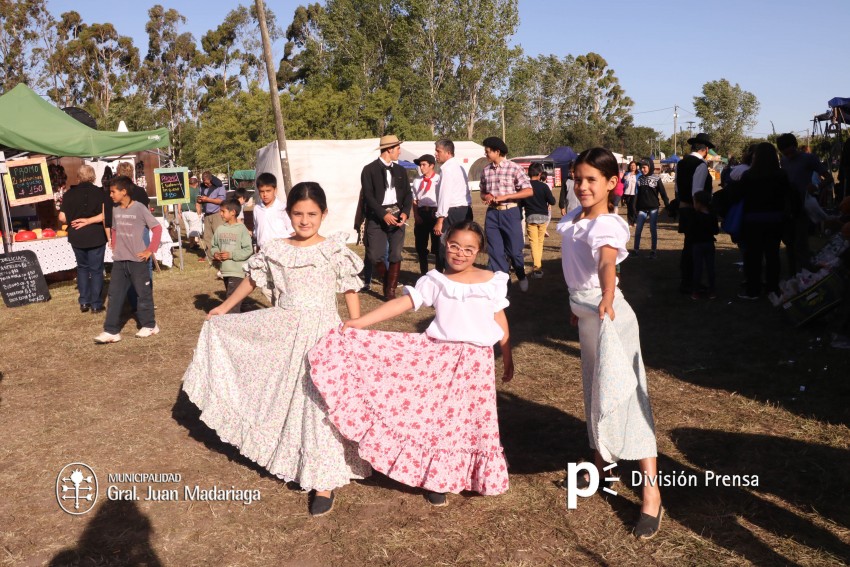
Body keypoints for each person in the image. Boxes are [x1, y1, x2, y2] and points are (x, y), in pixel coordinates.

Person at [181, 182, 371, 517]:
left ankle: (322, 479)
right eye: (298, 213)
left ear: (323, 214)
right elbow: (252, 280)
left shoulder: (334, 250)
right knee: (288, 396)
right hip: (284, 329)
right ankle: (294, 457)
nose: (305, 220)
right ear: (289, 214)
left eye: (312, 214)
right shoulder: (276, 249)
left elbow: (349, 290)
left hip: (324, 333)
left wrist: (355, 326)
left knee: (318, 402)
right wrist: (225, 308)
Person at [308, 220, 512, 507]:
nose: (460, 253)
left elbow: (499, 319)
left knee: (471, 421)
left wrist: (508, 355)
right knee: (438, 419)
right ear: (444, 245)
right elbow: (401, 305)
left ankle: (471, 474)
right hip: (441, 360)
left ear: (478, 251)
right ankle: (435, 477)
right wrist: (360, 322)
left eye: (469, 249)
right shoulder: (436, 281)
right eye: (454, 246)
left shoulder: (492, 280)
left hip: (478, 364)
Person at [557, 147, 662, 539]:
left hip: (609, 316)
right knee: (597, 393)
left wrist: (603, 295)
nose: (583, 186)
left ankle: (651, 493)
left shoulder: (606, 224)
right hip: (588, 316)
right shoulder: (572, 219)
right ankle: (601, 465)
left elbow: (604, 263)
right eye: (578, 178)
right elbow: (576, 271)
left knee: (628, 397)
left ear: (611, 183)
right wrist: (577, 306)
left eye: (592, 180)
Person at [94, 176, 163, 343]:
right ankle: (111, 331)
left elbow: (157, 228)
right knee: (114, 294)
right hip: (120, 260)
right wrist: (115, 244)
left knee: (142, 294)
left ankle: (150, 325)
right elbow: (115, 229)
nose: (110, 195)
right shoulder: (116, 209)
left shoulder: (139, 208)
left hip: (138, 260)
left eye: (113, 192)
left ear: (124, 192)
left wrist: (149, 250)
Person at [735, 142, 793, 300]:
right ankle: (772, 288)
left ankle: (753, 289)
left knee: (753, 256)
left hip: (752, 220)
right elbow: (788, 196)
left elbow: (739, 195)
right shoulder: (781, 175)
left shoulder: (749, 175)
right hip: (775, 220)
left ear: (756, 157)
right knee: (773, 255)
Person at [360, 135, 412, 299]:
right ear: (389, 149)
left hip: (397, 215)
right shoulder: (369, 170)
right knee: (374, 255)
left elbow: (408, 195)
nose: (400, 151)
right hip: (377, 216)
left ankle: (390, 291)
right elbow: (368, 196)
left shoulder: (401, 170)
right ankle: (387, 280)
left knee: (395, 254)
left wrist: (405, 212)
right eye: (397, 148)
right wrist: (383, 214)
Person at [479, 136, 533, 291]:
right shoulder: (486, 171)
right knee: (495, 252)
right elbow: (482, 192)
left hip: (510, 213)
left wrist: (507, 196)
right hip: (492, 215)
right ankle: (504, 286)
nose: (486, 154)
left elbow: (529, 191)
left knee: (515, 251)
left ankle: (521, 274)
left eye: (488, 151)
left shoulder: (514, 168)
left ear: (497, 151)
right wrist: (487, 197)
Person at [776, 133, 833, 275]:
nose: (789, 156)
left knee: (800, 243)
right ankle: (793, 273)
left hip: (803, 206)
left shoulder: (809, 158)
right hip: (788, 206)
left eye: (791, 152)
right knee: (789, 242)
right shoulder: (783, 161)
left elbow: (829, 178)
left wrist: (817, 186)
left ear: (796, 146)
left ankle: (807, 273)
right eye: (785, 153)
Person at [59, 165, 112, 314]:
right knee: (96, 270)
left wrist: (75, 219)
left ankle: (84, 302)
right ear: (94, 177)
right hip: (96, 236)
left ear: (78, 177)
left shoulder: (69, 194)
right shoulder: (101, 193)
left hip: (76, 235)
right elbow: (105, 215)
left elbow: (62, 217)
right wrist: (89, 221)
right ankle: (96, 304)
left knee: (82, 268)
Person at [674, 133, 714, 294]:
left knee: (688, 246)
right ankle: (691, 282)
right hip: (695, 209)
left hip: (684, 207)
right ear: (705, 150)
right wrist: (701, 212)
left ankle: (687, 280)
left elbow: (677, 188)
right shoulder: (701, 165)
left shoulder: (681, 163)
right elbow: (697, 191)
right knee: (694, 248)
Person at [433, 138, 473, 272]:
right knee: (461, 245)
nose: (436, 154)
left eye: (438, 151)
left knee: (445, 246)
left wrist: (440, 219)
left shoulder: (448, 169)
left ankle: (445, 275)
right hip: (464, 210)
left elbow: (445, 195)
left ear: (448, 152)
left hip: (453, 212)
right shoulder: (459, 166)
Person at [210, 200, 254, 313]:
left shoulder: (241, 229)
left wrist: (231, 255)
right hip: (225, 270)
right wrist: (215, 253)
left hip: (238, 271)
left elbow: (248, 250)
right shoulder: (220, 229)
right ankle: (243, 316)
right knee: (235, 298)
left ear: (233, 212)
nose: (220, 214)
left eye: (223, 211)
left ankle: (231, 324)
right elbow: (214, 246)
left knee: (231, 301)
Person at [523, 162, 556, 278]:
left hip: (531, 217)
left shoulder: (525, 187)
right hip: (543, 217)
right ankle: (538, 266)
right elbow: (552, 201)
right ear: (540, 174)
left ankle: (537, 267)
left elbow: (521, 202)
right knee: (540, 242)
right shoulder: (544, 186)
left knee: (533, 242)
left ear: (528, 173)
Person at [632, 159, 670, 259]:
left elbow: (663, 194)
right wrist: (634, 207)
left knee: (653, 229)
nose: (642, 169)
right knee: (638, 229)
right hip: (642, 209)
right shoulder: (639, 179)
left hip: (653, 208)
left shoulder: (657, 179)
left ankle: (653, 251)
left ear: (650, 167)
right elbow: (637, 195)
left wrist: (668, 206)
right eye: (641, 168)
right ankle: (635, 250)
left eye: (644, 167)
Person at [411, 153, 441, 275]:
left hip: (435, 214)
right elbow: (414, 200)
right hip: (422, 213)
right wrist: (416, 215)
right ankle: (423, 274)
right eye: (420, 165)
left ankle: (439, 273)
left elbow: (442, 198)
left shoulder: (438, 179)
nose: (421, 167)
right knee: (420, 246)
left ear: (432, 165)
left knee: (438, 247)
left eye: (424, 164)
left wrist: (439, 217)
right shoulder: (417, 180)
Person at [689, 191, 719, 300]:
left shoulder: (694, 216)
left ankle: (696, 291)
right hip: (709, 243)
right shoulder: (712, 215)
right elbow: (716, 230)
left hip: (697, 244)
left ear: (699, 203)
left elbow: (691, 230)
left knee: (698, 268)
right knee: (710, 267)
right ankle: (712, 291)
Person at [253, 172, 294, 249]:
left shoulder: (283, 208)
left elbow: (292, 231)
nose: (265, 194)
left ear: (275, 190)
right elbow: (257, 229)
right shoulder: (257, 209)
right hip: (263, 250)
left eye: (268, 191)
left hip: (281, 250)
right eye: (262, 191)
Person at [197, 171, 227, 263]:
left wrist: (207, 199)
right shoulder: (202, 186)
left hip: (217, 214)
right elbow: (199, 200)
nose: (206, 184)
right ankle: (211, 256)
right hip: (207, 215)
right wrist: (200, 202)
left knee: (219, 236)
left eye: (207, 182)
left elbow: (221, 201)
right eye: (204, 182)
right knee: (207, 237)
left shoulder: (219, 186)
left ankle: (222, 256)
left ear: (211, 179)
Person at [622, 161, 639, 225]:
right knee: (629, 208)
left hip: (635, 193)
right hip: (627, 192)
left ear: (636, 166)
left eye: (634, 165)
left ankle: (635, 220)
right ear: (629, 166)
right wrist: (624, 179)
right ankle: (630, 222)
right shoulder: (626, 173)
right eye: (631, 165)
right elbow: (622, 182)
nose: (633, 167)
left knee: (633, 207)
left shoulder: (638, 174)